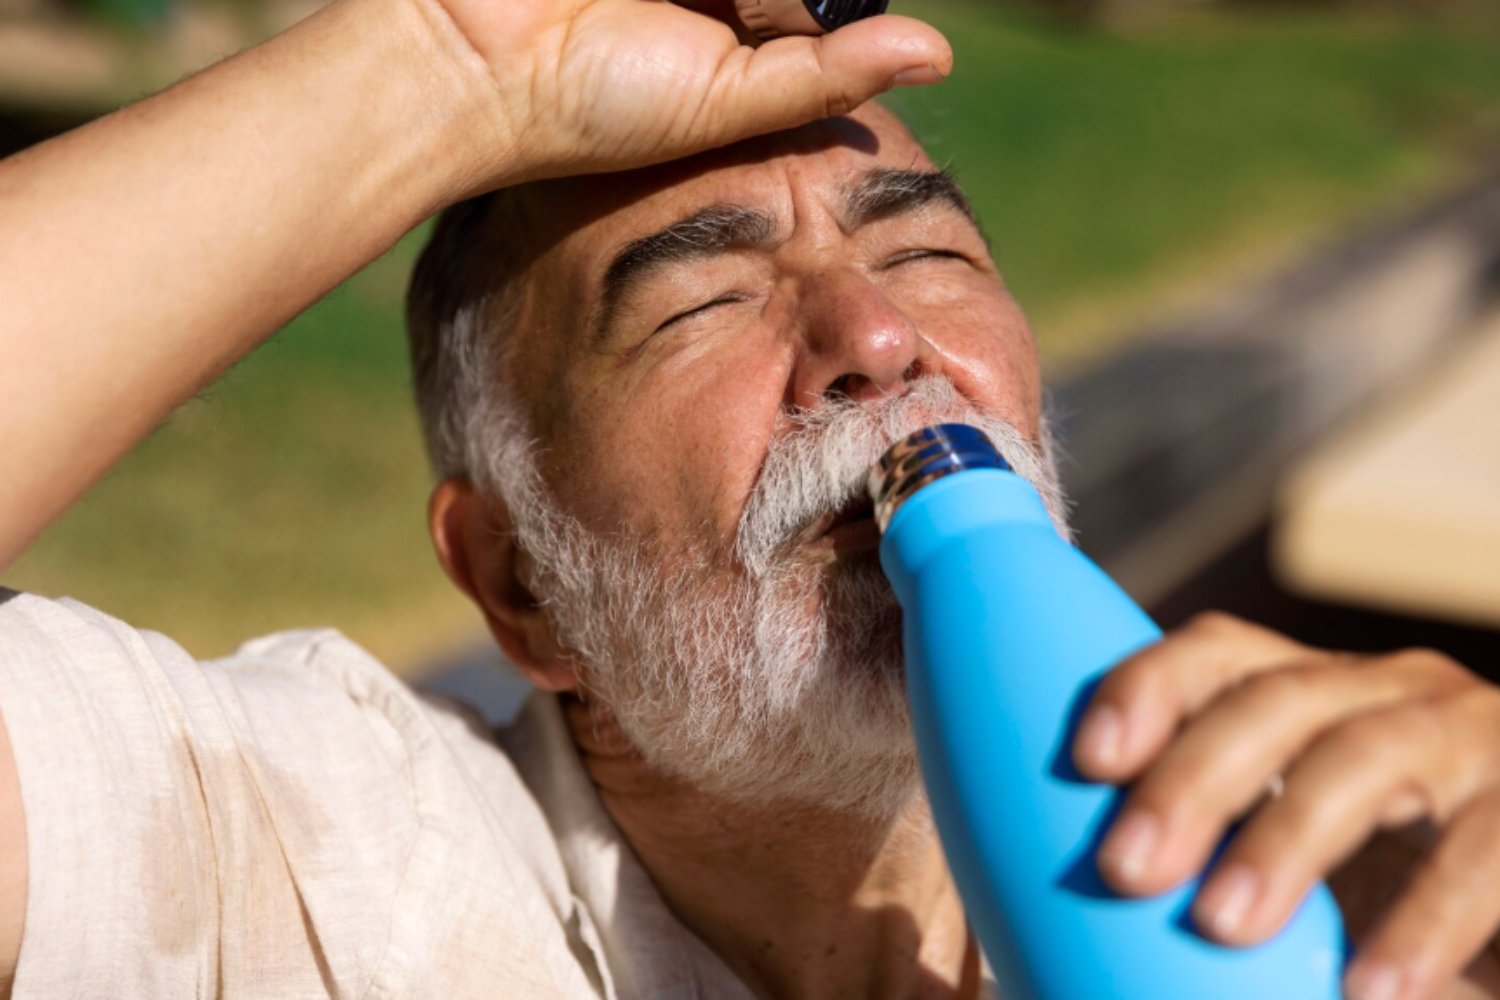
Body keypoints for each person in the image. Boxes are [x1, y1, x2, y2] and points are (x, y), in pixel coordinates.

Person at [2, 1, 1499, 997]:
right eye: (701, 303)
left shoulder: (1322, 866)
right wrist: (445, 64)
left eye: (926, 255)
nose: (878, 340)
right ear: (519, 583)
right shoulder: (313, 861)